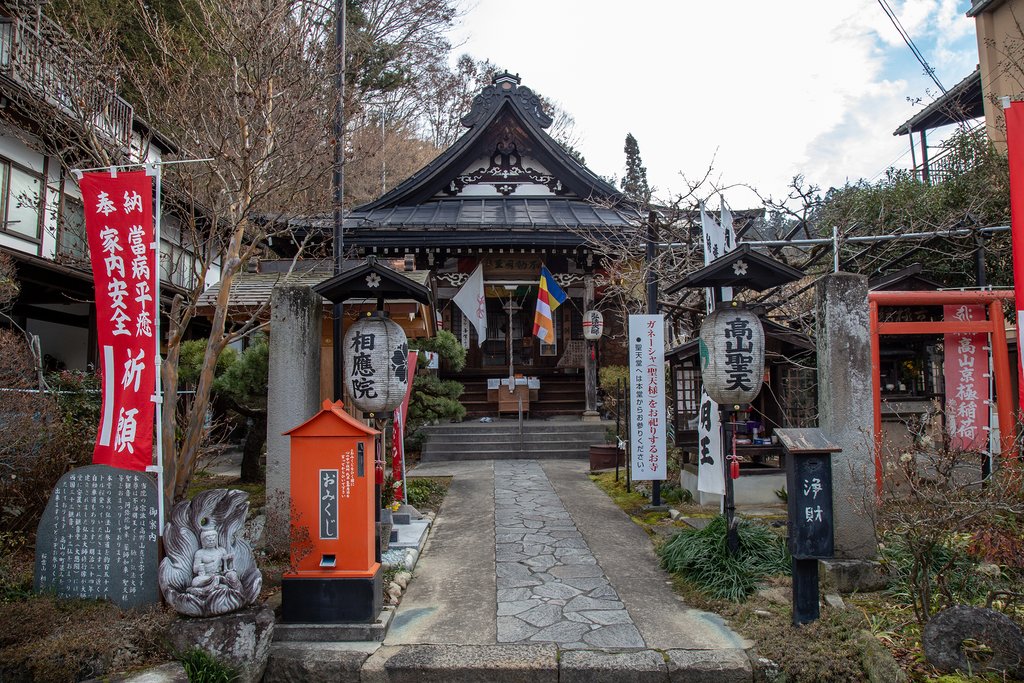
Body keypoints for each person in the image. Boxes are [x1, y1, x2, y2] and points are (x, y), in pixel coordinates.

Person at [188, 528, 240, 593]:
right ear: (203, 541)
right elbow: (195, 570)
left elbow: (227, 567)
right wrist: (200, 567)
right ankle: (216, 586)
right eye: (208, 540)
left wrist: (229, 559)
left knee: (233, 575)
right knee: (195, 581)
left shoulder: (221, 551)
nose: (211, 542)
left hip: (220, 575)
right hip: (207, 577)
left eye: (213, 540)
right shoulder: (200, 553)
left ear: (216, 540)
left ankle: (236, 592)